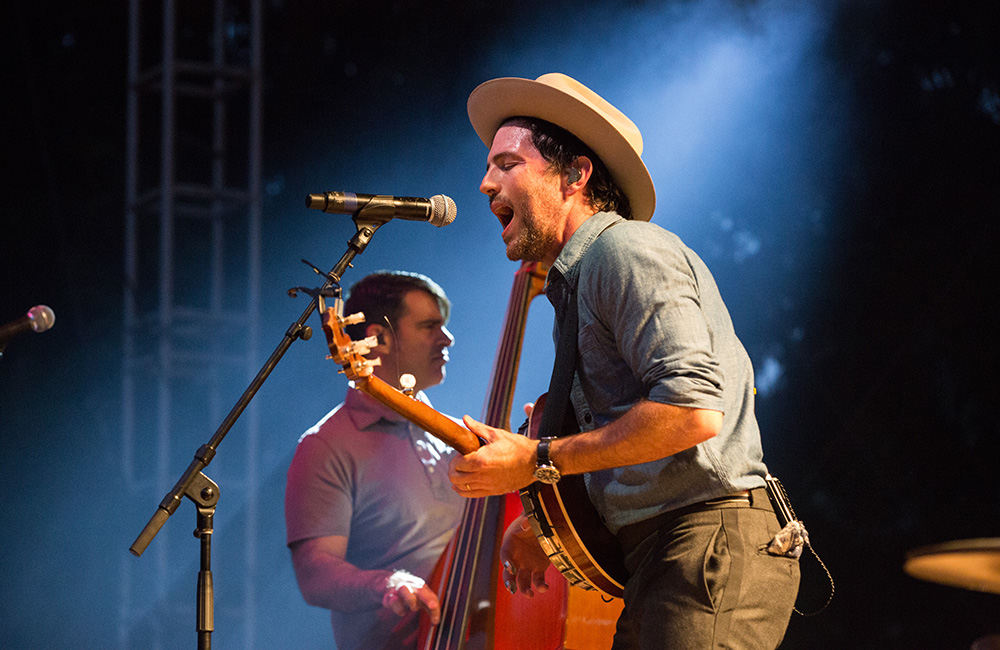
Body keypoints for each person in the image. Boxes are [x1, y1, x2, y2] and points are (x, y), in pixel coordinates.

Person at [448, 73, 801, 649]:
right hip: (672, 553)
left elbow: (691, 411)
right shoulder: (578, 281)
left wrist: (538, 459)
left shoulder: (623, 250)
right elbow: (630, 432)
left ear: (576, 175)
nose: (486, 183)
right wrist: (547, 525)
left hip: (707, 539)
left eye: (508, 164)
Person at [285, 270, 465, 650]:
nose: (447, 338)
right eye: (430, 326)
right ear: (378, 338)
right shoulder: (325, 445)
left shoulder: (456, 435)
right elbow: (315, 574)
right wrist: (388, 584)